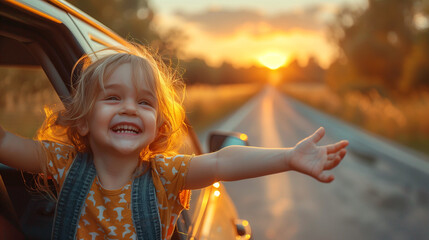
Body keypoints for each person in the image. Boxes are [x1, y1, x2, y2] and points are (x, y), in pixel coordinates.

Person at [0, 43, 348, 240]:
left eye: (145, 102)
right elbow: (7, 143)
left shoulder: (165, 173)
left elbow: (221, 162)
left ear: (158, 126)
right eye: (113, 98)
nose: (129, 110)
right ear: (84, 119)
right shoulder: (61, 161)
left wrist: (287, 157)